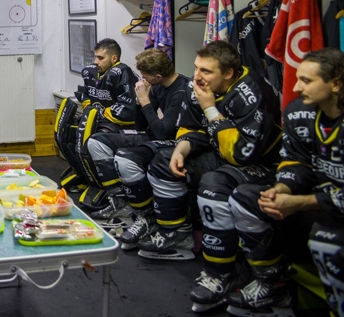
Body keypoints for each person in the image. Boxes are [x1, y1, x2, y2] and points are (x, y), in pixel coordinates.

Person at [138, 41, 282, 313]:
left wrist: (211, 110)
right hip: (221, 152)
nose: (197, 76)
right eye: (196, 68)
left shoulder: (254, 92)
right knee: (162, 163)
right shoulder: (199, 87)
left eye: (206, 71)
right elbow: (191, 128)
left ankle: (223, 274)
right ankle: (176, 234)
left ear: (227, 73)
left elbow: (242, 154)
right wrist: (181, 149)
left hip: (261, 164)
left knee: (214, 184)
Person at [225, 48, 344, 315]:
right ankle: (272, 283)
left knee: (326, 240)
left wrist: (300, 203)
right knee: (247, 198)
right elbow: (295, 161)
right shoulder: (298, 111)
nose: (296, 87)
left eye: (306, 81)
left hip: (331, 209)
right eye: (298, 78)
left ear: (336, 84)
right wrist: (281, 189)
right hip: (319, 200)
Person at [82, 49, 189, 241]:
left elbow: (163, 133)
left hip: (175, 143)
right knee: (97, 142)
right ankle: (121, 205)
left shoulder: (181, 90)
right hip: (154, 135)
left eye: (145, 76)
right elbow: (141, 126)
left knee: (125, 158)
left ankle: (145, 216)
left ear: (158, 76)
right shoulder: (156, 86)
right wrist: (140, 103)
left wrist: (145, 101)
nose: (142, 79)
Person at [57, 39, 138, 214]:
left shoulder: (122, 73)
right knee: (68, 133)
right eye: (95, 57)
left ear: (114, 58)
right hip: (98, 120)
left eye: (101, 58)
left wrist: (99, 114)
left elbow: (127, 110)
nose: (96, 61)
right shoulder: (91, 72)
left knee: (92, 140)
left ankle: (112, 193)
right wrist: (88, 108)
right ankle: (85, 176)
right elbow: (85, 94)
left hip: (119, 125)